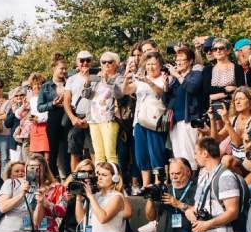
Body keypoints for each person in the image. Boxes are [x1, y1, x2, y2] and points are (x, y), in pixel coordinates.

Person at [123, 52, 171, 187]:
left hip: (155, 120)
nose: (150, 67)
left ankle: (158, 183)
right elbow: (126, 91)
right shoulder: (140, 79)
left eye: (154, 64)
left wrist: (148, 82)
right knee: (141, 153)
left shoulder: (164, 78)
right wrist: (126, 78)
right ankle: (146, 184)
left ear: (160, 65)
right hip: (140, 120)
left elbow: (161, 93)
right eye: (148, 64)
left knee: (156, 151)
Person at [168, 46, 205, 166]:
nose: (178, 63)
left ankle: (193, 180)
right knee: (178, 156)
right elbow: (166, 99)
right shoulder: (175, 78)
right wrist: (165, 85)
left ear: (190, 61)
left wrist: (178, 76)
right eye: (176, 60)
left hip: (189, 119)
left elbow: (192, 88)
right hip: (175, 121)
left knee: (189, 155)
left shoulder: (195, 74)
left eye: (181, 60)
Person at [88, 53, 124, 166]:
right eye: (103, 62)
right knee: (98, 154)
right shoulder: (96, 79)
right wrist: (86, 83)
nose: (106, 64)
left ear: (116, 63)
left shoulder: (119, 78)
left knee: (110, 154)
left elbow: (119, 94)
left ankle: (115, 181)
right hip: (93, 119)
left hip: (109, 118)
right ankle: (101, 181)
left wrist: (108, 81)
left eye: (110, 62)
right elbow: (87, 96)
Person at [64, 50, 96, 172]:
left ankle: (97, 180)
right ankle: (74, 179)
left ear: (91, 62)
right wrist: (73, 118)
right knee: (74, 152)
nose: (85, 63)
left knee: (94, 152)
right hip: (77, 117)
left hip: (93, 119)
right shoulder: (71, 80)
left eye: (88, 60)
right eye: (82, 60)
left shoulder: (97, 77)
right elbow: (66, 101)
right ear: (77, 62)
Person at [40, 57, 70, 180]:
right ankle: (51, 179)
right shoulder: (46, 86)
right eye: (61, 68)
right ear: (54, 69)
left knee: (68, 151)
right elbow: (40, 107)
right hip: (53, 119)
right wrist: (52, 104)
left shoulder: (70, 82)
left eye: (65, 69)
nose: (63, 71)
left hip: (68, 118)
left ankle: (69, 179)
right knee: (53, 152)